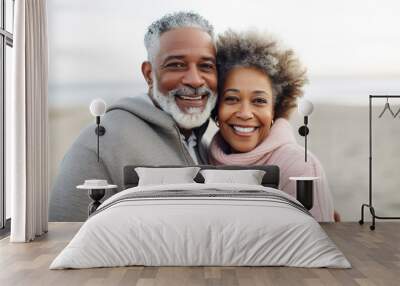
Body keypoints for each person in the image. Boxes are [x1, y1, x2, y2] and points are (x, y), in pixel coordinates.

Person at [49, 11, 218, 221]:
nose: (195, 80)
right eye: (176, 65)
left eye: (206, 66)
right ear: (149, 74)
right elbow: (65, 234)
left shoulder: (204, 144)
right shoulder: (100, 142)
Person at [208, 30, 336, 222]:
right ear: (216, 106)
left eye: (259, 101)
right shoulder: (203, 157)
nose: (244, 113)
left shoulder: (299, 166)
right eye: (232, 99)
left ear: (275, 110)